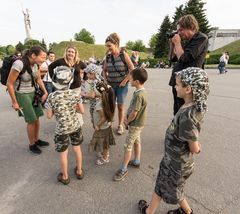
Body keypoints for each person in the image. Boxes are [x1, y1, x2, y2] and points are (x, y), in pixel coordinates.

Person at [138, 67, 210, 214]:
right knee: (167, 186)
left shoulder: (187, 116)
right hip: (172, 159)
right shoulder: (190, 106)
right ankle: (160, 211)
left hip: (177, 164)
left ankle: (154, 211)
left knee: (173, 190)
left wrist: (197, 146)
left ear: (188, 89)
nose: (175, 86)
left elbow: (194, 147)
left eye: (177, 84)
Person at [45, 66, 84, 185]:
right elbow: (82, 111)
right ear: (70, 79)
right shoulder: (75, 94)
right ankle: (79, 171)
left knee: (63, 153)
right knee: (77, 148)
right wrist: (71, 108)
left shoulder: (51, 96)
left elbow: (49, 116)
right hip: (75, 126)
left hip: (61, 129)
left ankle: (65, 176)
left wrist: (58, 109)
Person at [7, 46, 49, 155]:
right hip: (22, 94)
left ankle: (36, 139)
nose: (44, 60)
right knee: (31, 119)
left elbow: (38, 79)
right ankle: (32, 144)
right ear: (33, 55)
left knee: (37, 118)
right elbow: (10, 84)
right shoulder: (19, 64)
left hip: (33, 92)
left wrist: (45, 92)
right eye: (42, 57)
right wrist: (14, 102)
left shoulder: (36, 64)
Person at [168, 14, 208, 115]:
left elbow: (183, 58)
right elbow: (172, 58)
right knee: (177, 111)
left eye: (181, 30)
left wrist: (177, 43)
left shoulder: (201, 38)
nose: (179, 33)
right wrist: (172, 44)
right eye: (178, 31)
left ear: (192, 27)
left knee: (186, 114)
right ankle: (177, 129)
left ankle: (183, 130)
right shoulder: (186, 41)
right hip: (179, 81)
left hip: (188, 83)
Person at [113, 67, 148, 181]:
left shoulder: (138, 95)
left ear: (136, 81)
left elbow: (134, 112)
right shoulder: (142, 91)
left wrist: (127, 121)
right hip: (139, 124)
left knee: (128, 146)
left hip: (135, 124)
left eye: (131, 79)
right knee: (137, 141)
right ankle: (136, 160)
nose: (129, 80)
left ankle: (123, 169)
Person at [102, 32, 134, 135]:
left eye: (109, 46)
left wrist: (125, 81)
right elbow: (104, 70)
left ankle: (120, 125)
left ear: (115, 44)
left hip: (122, 86)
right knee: (111, 106)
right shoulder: (108, 56)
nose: (108, 48)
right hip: (111, 85)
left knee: (120, 106)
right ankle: (109, 123)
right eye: (107, 46)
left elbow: (132, 69)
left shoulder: (123, 55)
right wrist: (106, 81)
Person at [88, 82, 116, 165]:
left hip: (102, 127)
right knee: (105, 142)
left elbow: (104, 117)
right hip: (106, 126)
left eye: (94, 90)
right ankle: (105, 154)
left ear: (98, 93)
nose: (93, 92)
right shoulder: (105, 99)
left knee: (104, 144)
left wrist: (97, 125)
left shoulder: (99, 105)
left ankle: (105, 158)